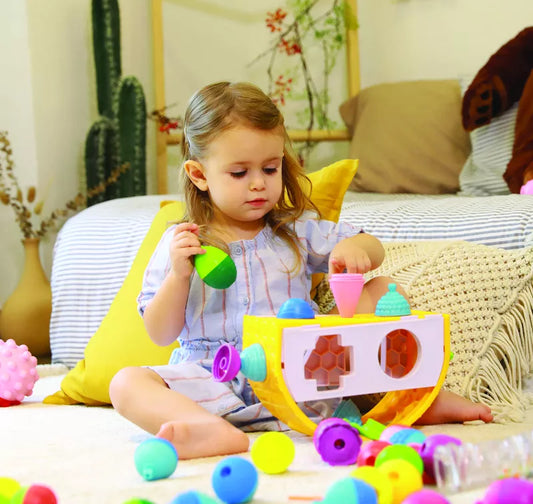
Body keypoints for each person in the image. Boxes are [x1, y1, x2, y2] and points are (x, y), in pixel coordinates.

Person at [109, 81, 493, 460]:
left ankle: (411, 396)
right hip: (215, 378)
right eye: (239, 173)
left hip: (300, 374)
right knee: (126, 383)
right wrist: (179, 276)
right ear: (199, 175)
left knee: (382, 290)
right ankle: (208, 430)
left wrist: (352, 249)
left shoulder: (294, 230)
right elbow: (160, 334)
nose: (259, 184)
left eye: (270, 168)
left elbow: (371, 246)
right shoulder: (183, 243)